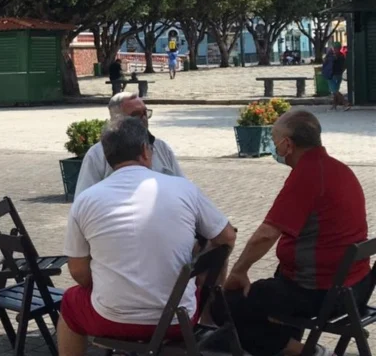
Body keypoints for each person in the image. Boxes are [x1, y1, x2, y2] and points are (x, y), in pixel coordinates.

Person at [57, 117, 236, 356]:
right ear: (145, 150)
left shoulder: (85, 200)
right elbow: (227, 236)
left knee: (69, 302)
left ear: (107, 157)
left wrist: (116, 282)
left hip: (111, 318)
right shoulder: (184, 188)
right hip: (178, 319)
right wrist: (201, 272)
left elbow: (78, 273)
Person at [219, 110, 372, 356]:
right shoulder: (337, 168)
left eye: (274, 137)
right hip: (356, 285)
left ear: (287, 144)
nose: (273, 143)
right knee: (271, 287)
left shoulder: (309, 175)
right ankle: (292, 345)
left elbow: (266, 234)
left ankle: (301, 351)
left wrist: (239, 270)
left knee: (227, 304)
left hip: (324, 292)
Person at [75, 92, 183, 196]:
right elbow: (83, 197)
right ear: (117, 119)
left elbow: (181, 186)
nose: (144, 118)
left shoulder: (161, 148)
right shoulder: (97, 154)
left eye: (145, 113)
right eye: (136, 115)